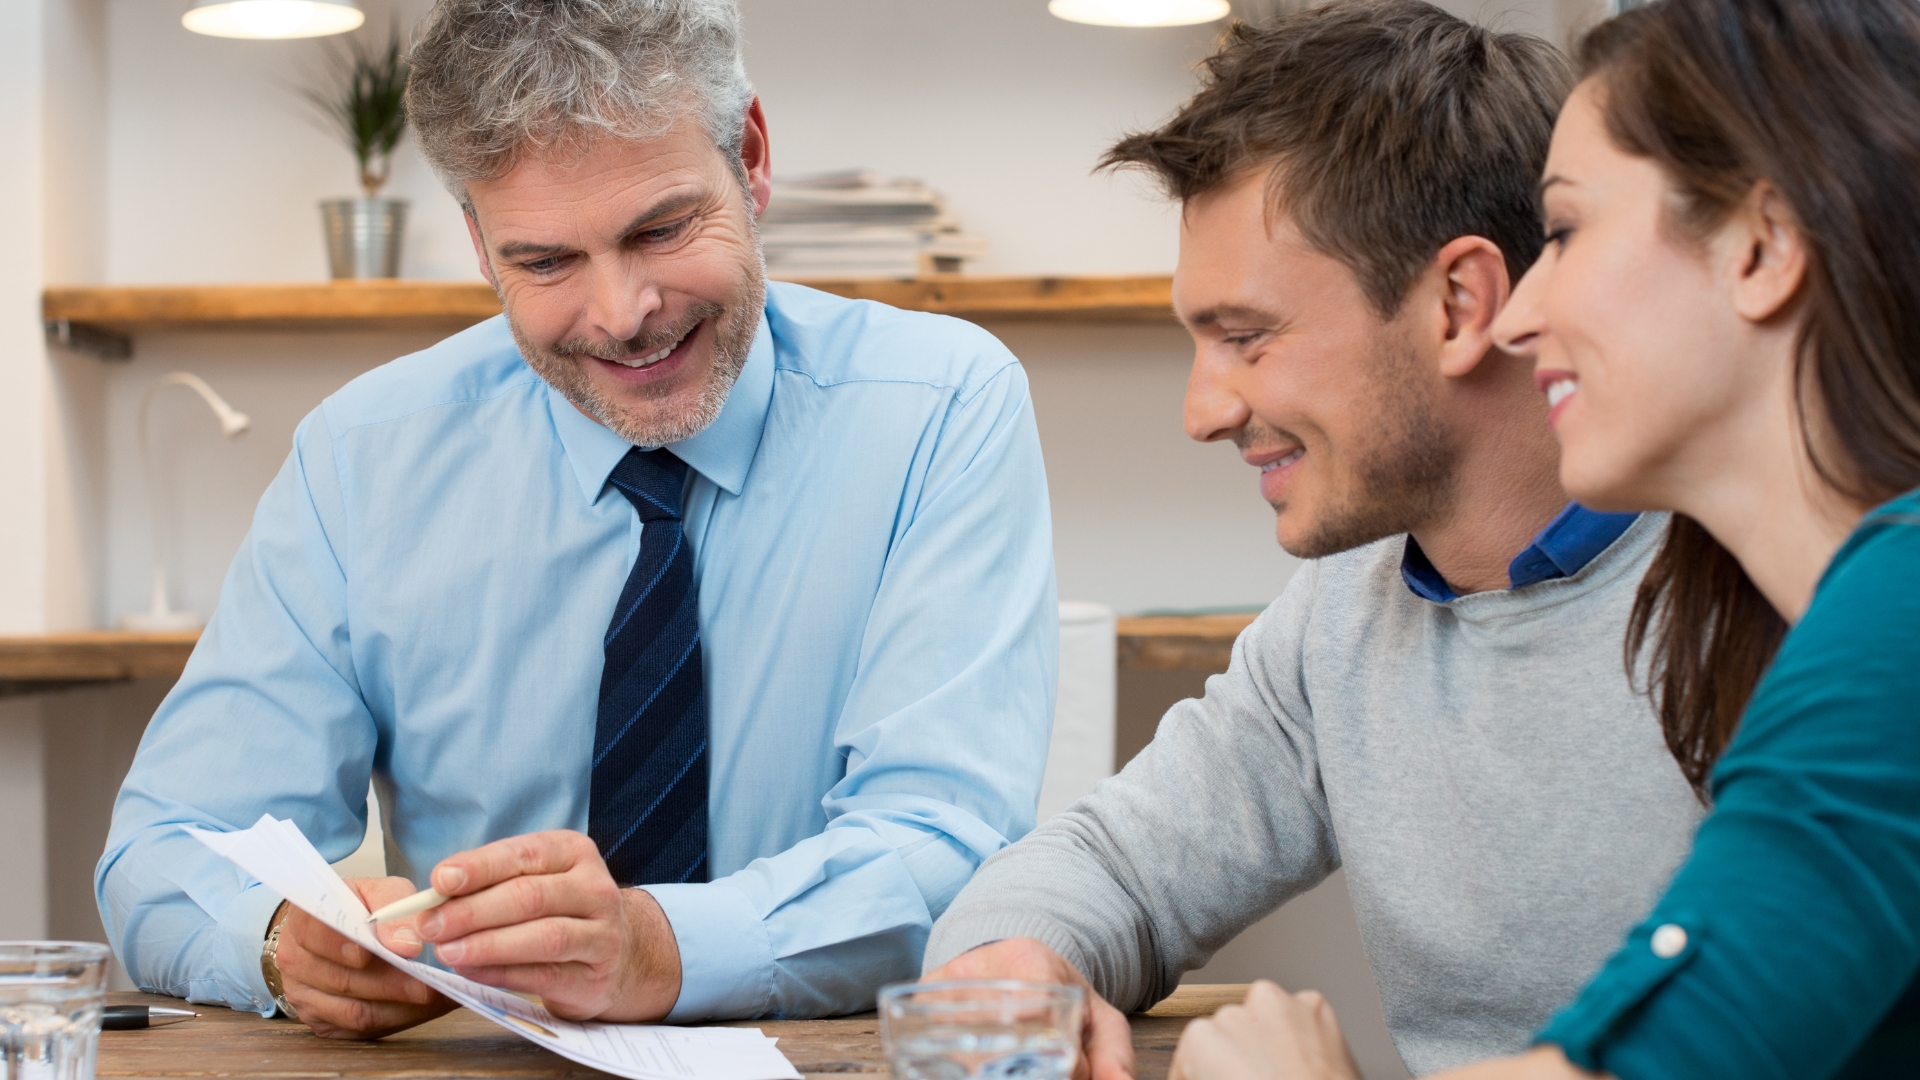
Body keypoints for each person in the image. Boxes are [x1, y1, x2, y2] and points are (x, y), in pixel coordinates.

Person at [96, 0, 1057, 1039]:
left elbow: (948, 845)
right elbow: (167, 848)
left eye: (661, 228)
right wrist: (281, 940)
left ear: (753, 159)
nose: (621, 313)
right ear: (478, 243)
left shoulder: (942, 407)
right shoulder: (360, 459)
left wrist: (660, 947)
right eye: (547, 262)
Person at [921, 2, 1705, 1076]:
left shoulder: (1767, 605)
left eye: (1246, 338)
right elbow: (1117, 862)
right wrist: (1017, 961)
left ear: (1460, 303)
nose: (1202, 411)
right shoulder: (1348, 607)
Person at [1162, 0, 1920, 1078]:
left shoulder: (1899, 623)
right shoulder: (1800, 612)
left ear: (1762, 245)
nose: (1519, 317)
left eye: (1564, 233)